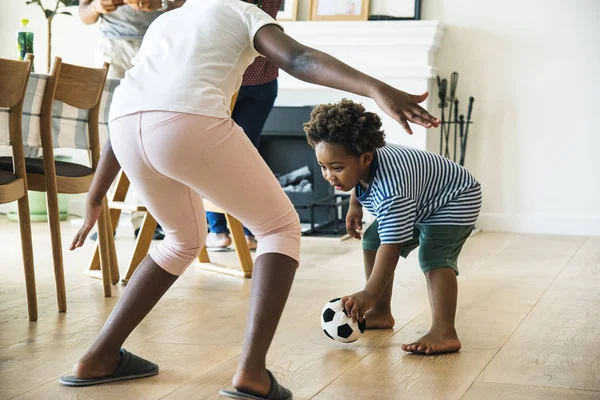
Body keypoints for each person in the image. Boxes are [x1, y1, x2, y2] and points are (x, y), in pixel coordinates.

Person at [59, 1, 439, 398]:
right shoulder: (241, 10)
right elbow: (298, 57)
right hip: (186, 120)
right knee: (279, 228)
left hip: (123, 126)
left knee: (182, 240)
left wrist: (96, 193)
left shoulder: (167, 21)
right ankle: (252, 374)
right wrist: (376, 88)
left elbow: (138, 99)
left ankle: (98, 356)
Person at [304, 99, 481, 355]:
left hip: (455, 197)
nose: (329, 176)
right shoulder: (364, 157)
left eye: (337, 168)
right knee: (372, 240)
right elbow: (361, 181)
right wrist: (356, 205)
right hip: (421, 196)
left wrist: (368, 293)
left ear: (365, 158)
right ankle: (380, 313)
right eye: (323, 167)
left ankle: (445, 331)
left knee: (434, 256)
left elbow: (393, 244)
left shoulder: (392, 191)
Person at [79, 0, 185, 240]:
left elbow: (188, 5)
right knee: (109, 135)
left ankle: (146, 220)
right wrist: (97, 6)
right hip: (112, 50)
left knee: (150, 133)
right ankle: (103, 218)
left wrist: (163, 3)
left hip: (160, 46)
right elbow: (84, 12)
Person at [205, 0, 282, 252]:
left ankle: (218, 230)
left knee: (211, 152)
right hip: (262, 75)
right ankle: (250, 231)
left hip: (225, 74)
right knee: (248, 154)